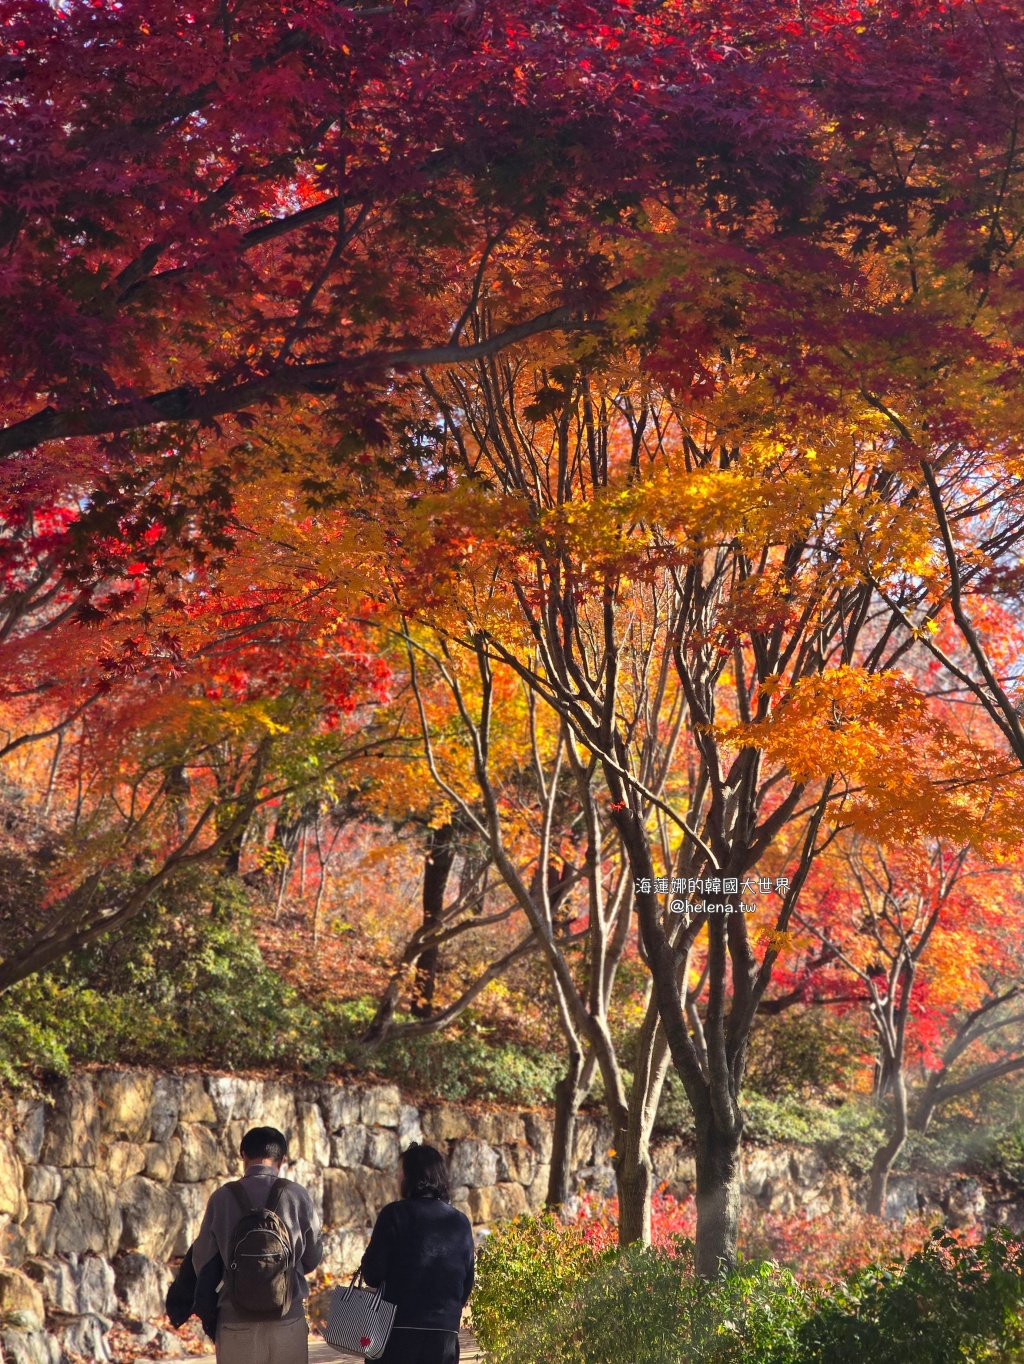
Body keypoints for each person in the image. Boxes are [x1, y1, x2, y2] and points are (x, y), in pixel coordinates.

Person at [193, 1124, 324, 1364]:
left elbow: (202, 1260)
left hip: (235, 1320)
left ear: (243, 1155)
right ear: (282, 1160)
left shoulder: (221, 1198)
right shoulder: (297, 1195)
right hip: (287, 1318)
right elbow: (313, 1256)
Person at [360, 1143, 475, 1364]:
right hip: (444, 1334)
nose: (396, 1179)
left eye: (399, 1173)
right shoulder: (460, 1221)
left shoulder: (394, 1214)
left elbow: (372, 1274)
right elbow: (466, 1282)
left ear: (410, 1177)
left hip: (395, 1331)